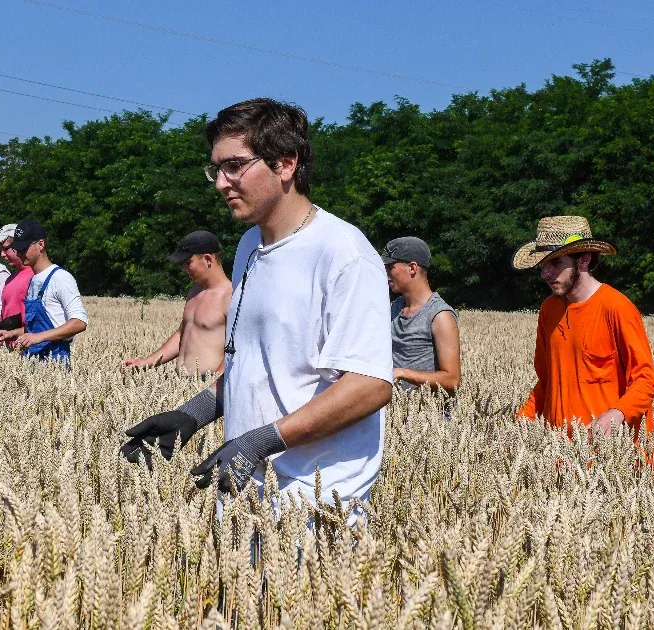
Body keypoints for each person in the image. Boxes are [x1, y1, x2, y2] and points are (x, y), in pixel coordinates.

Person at [120, 99, 393, 525]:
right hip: (247, 483)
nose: (220, 183)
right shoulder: (250, 245)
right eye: (216, 169)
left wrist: (264, 440)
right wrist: (193, 415)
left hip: (317, 498)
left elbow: (369, 386)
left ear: (286, 163)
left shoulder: (344, 254)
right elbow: (256, 364)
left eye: (234, 166)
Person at [513, 216, 654, 438]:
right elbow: (548, 381)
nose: (545, 273)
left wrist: (618, 413)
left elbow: (645, 380)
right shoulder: (548, 310)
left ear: (584, 259)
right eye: (543, 264)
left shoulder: (617, 308)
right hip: (559, 454)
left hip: (609, 455)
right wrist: (523, 419)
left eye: (555, 263)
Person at [122, 230, 232, 376]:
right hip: (181, 385)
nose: (184, 269)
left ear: (207, 259)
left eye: (188, 262)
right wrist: (146, 362)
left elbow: (238, 348)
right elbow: (182, 334)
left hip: (208, 384)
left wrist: (215, 387)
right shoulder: (194, 292)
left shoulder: (231, 296)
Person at [0, 219, 88, 363]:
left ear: (41, 244)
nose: (20, 253)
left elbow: (79, 322)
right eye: (18, 249)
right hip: (31, 359)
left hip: (55, 361)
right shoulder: (33, 280)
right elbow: (34, 328)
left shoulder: (61, 278)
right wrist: (12, 333)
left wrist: (38, 337)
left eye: (24, 248)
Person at [381, 236, 461, 394]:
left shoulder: (440, 315)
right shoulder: (395, 307)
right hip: (397, 413)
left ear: (412, 268)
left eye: (390, 267)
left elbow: (452, 380)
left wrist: (402, 373)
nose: (385, 274)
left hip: (429, 416)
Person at [0, 223, 32, 337]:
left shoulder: (35, 276)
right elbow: (4, 314)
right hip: (7, 346)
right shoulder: (10, 278)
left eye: (5, 249)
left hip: (26, 346)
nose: (2, 254)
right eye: (0, 249)